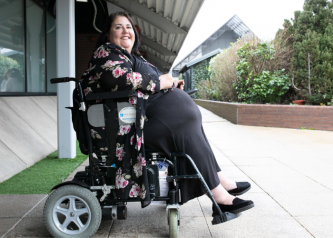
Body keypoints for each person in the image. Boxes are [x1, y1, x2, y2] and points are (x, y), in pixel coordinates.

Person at [81, 12, 254, 216]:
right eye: (118, 27)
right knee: (182, 125)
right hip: (124, 130)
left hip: (138, 120)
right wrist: (162, 83)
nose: (125, 30)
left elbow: (145, 83)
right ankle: (219, 195)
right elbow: (121, 81)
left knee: (190, 124)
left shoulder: (129, 56)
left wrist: (170, 86)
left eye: (129, 26)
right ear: (108, 34)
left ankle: (218, 179)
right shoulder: (106, 53)